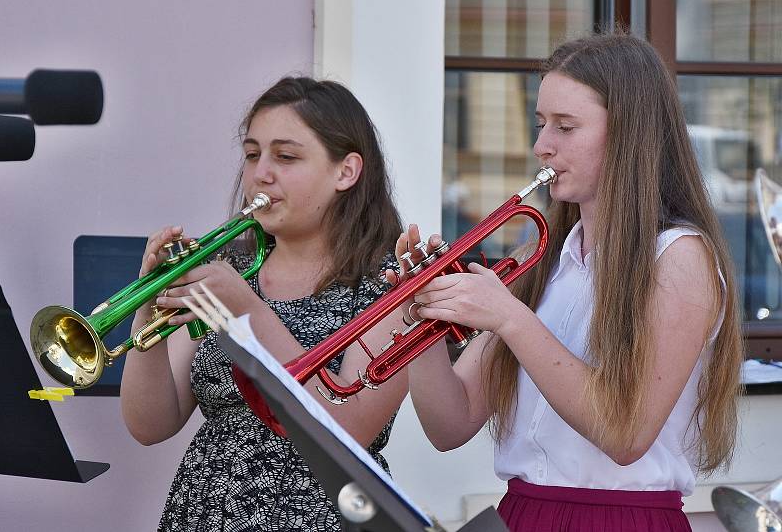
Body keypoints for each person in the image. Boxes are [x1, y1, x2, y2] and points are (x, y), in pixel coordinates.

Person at [393, 32, 744, 531]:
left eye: (565, 126)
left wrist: (512, 318)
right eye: (541, 124)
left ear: (628, 134)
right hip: (521, 514)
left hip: (621, 521)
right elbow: (450, 424)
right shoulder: (536, 259)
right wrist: (423, 316)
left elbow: (625, 434)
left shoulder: (680, 258)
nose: (542, 146)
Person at [120, 76, 407, 531]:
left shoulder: (392, 286)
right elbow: (150, 424)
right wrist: (148, 310)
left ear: (346, 171)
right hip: (204, 511)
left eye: (286, 156)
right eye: (253, 154)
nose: (260, 173)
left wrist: (247, 313)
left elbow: (349, 429)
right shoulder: (232, 270)